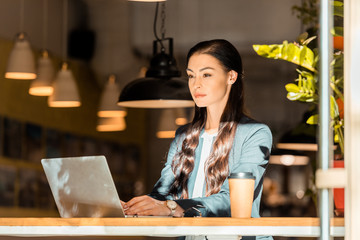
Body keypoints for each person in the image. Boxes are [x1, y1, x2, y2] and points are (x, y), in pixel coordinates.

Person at [122, 39, 273, 240]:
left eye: (207, 75)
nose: (196, 84)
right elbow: (164, 192)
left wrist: (172, 208)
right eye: (191, 76)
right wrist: (137, 206)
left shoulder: (255, 133)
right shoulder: (184, 135)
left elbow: (233, 200)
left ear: (231, 76)